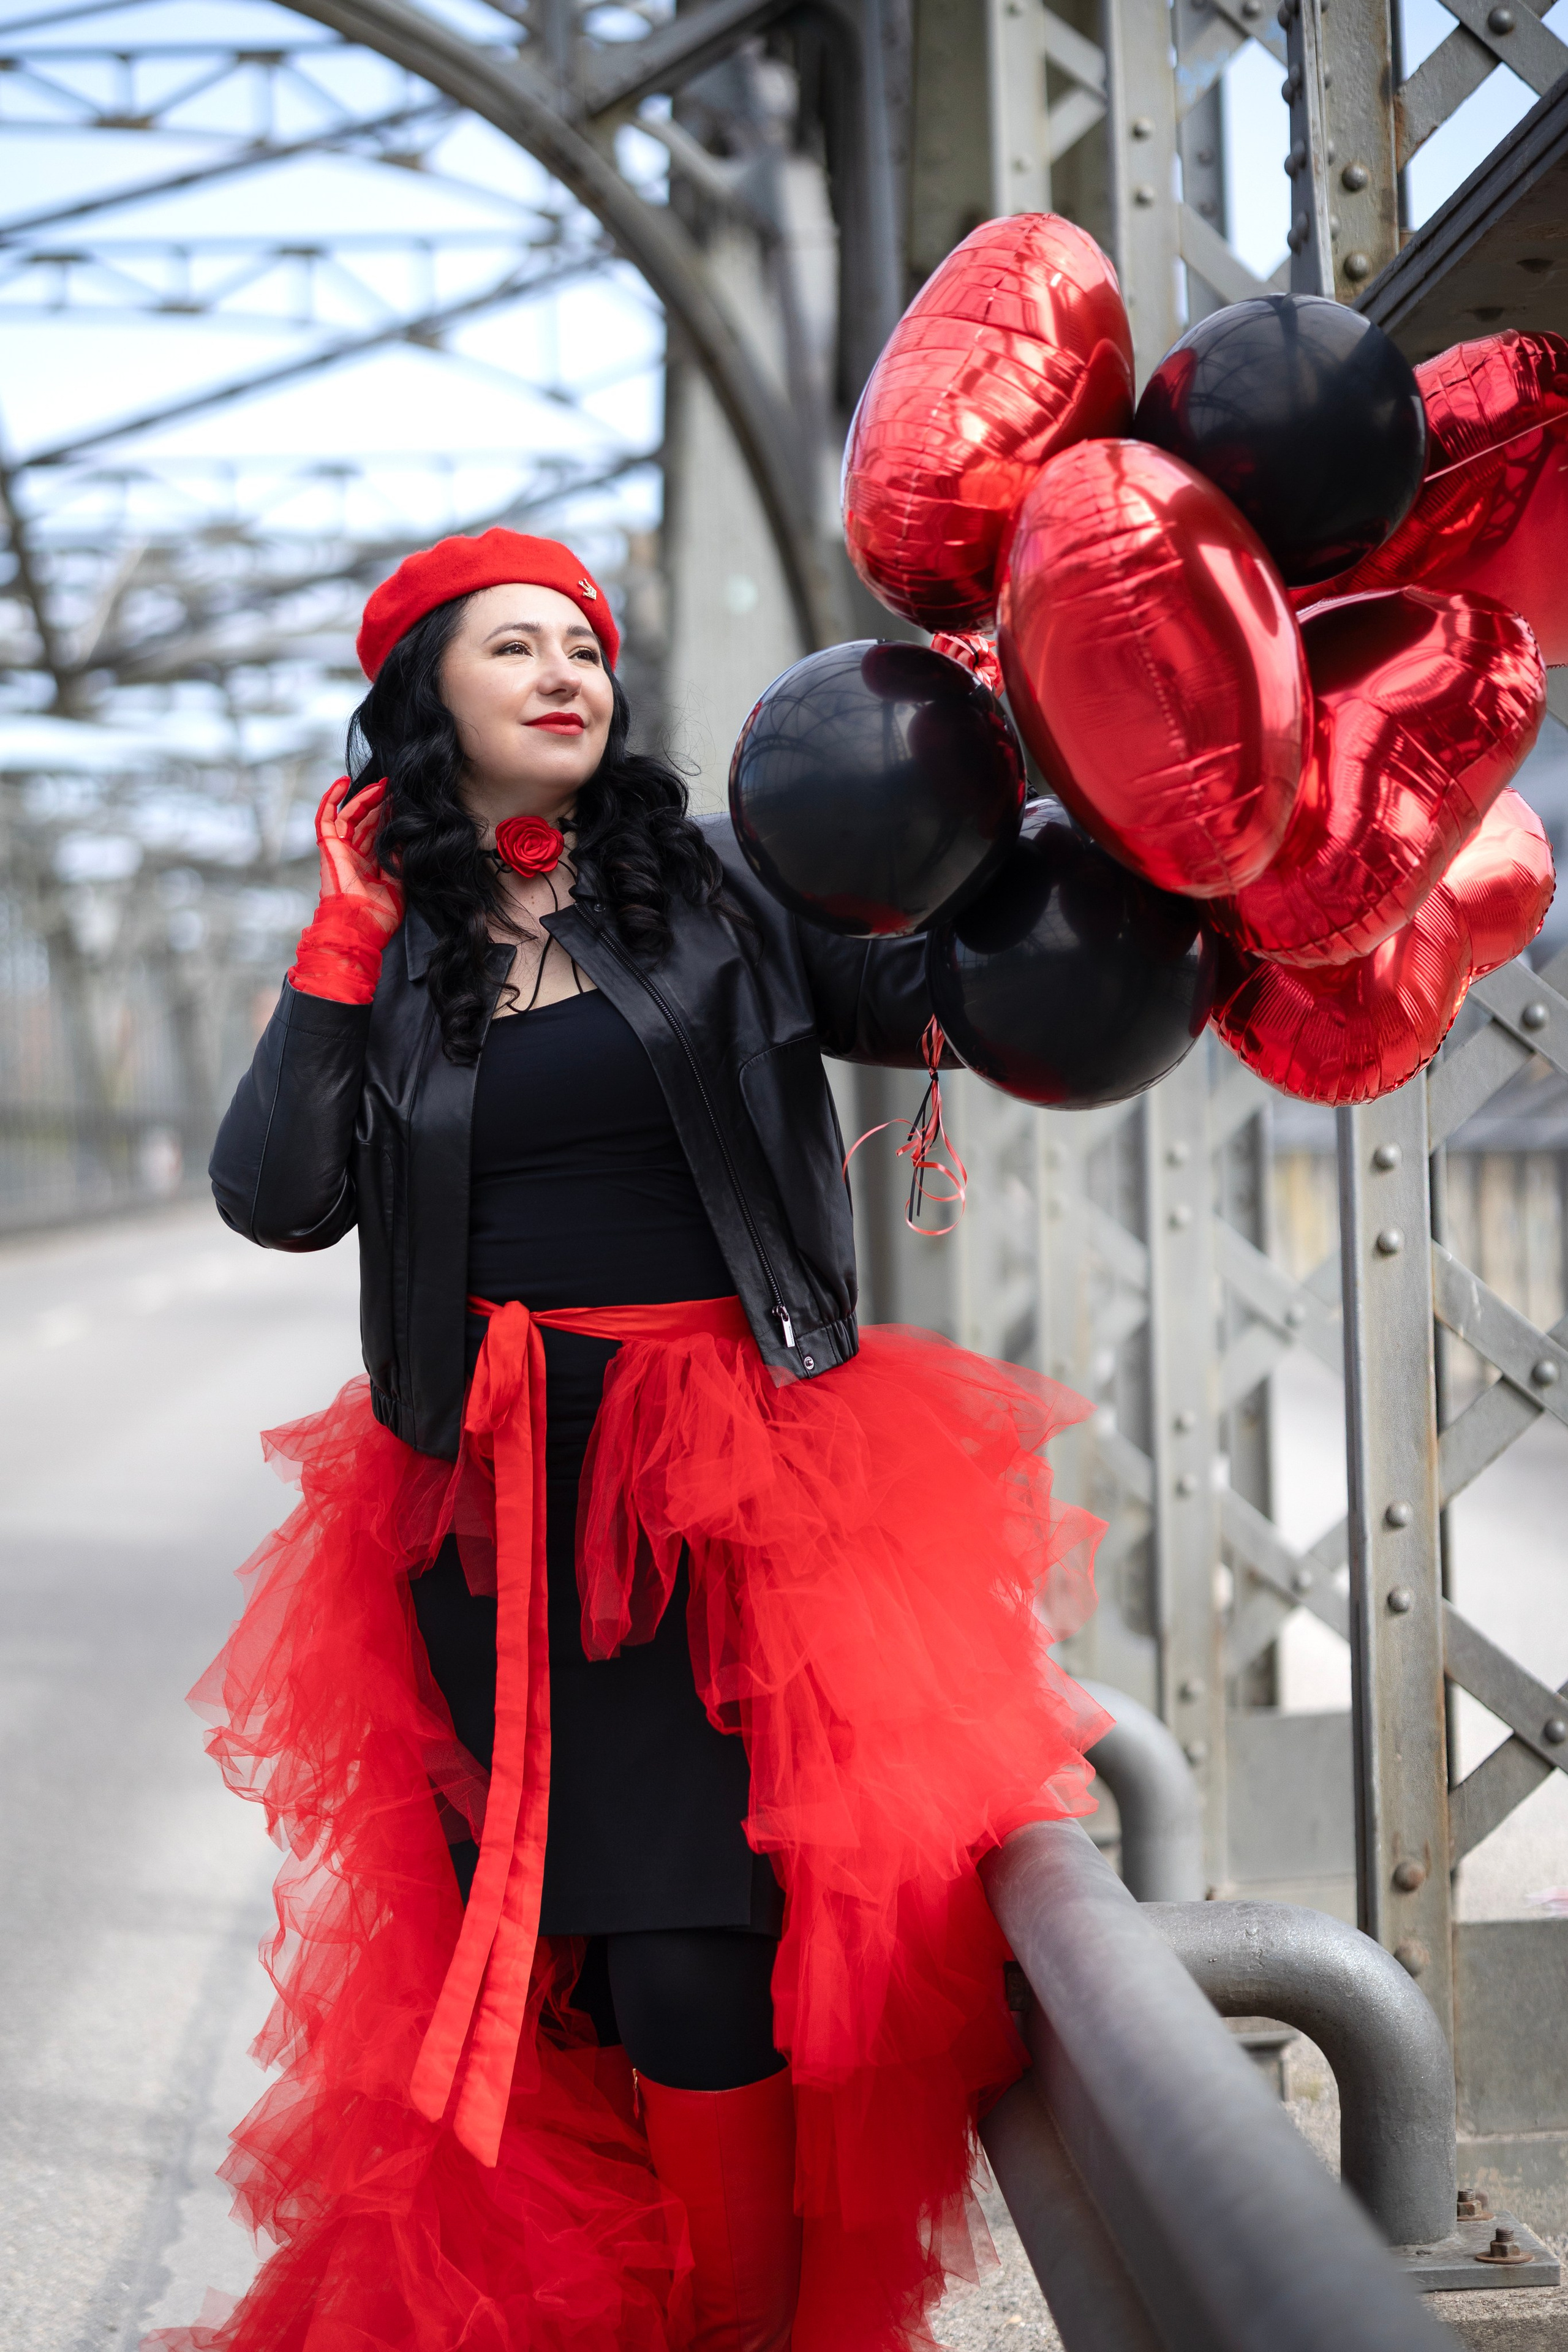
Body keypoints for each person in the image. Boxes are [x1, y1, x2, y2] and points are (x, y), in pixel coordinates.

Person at [154, 529, 1107, 2352]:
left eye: (587, 646)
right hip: (487, 1507)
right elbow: (277, 1195)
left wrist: (1077, 838)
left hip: (725, 1481)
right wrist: (343, 940)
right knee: (543, 1985)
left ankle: (745, 2327)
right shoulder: (398, 953)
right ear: (421, 697)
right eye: (514, 646)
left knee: (695, 1955)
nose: (566, 672)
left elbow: (937, 1001)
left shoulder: (729, 886)